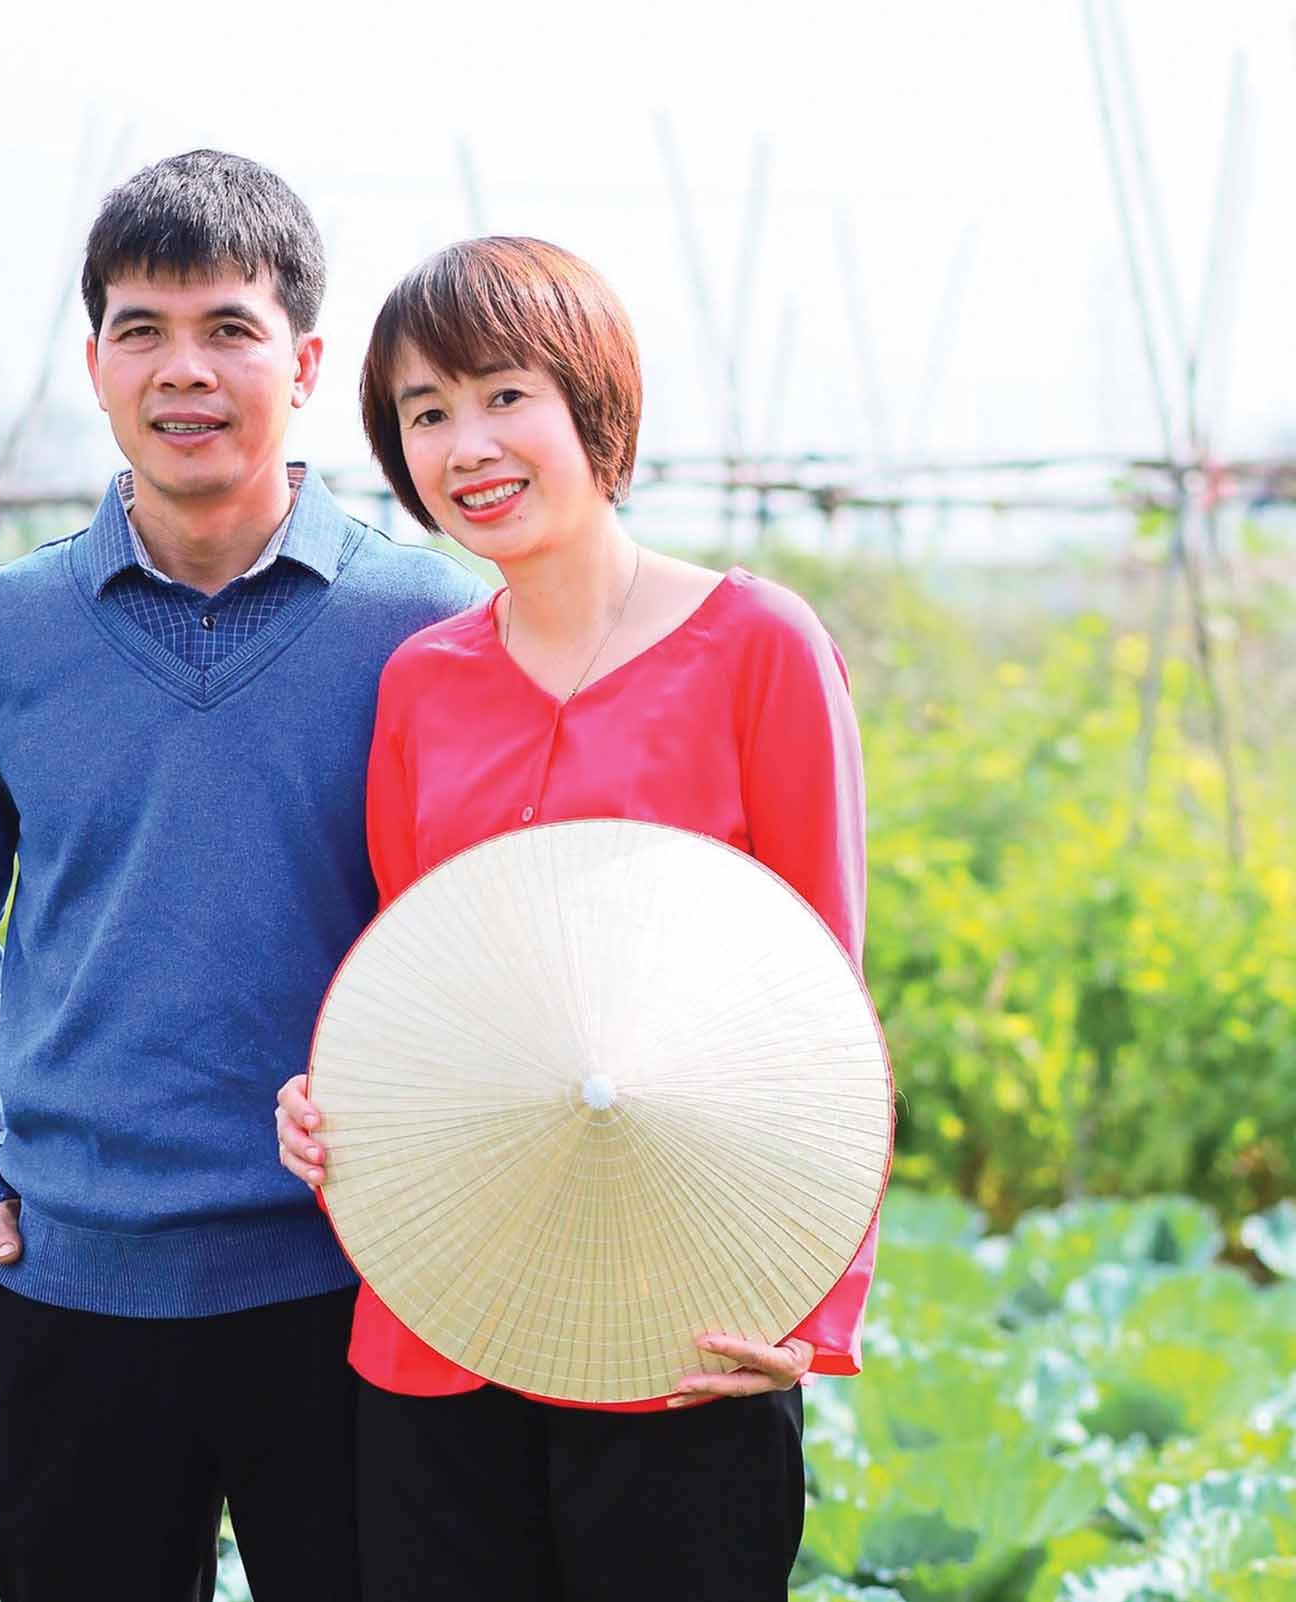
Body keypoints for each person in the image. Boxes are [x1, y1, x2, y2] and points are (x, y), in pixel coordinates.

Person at [0, 150, 484, 1602]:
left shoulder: (432, 621)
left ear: (309, 360)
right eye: (141, 330)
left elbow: (493, 946)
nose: (184, 370)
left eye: (229, 328)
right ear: (94, 365)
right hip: (75, 1300)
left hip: (352, 1298)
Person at [275, 235, 878, 1601]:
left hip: (680, 1328)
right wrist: (326, 1101)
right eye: (425, 414)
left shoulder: (758, 645)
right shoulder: (422, 683)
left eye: (502, 394)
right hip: (437, 1317)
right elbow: (406, 983)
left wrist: (808, 1307)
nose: (467, 443)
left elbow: (826, 993)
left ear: (593, 404)